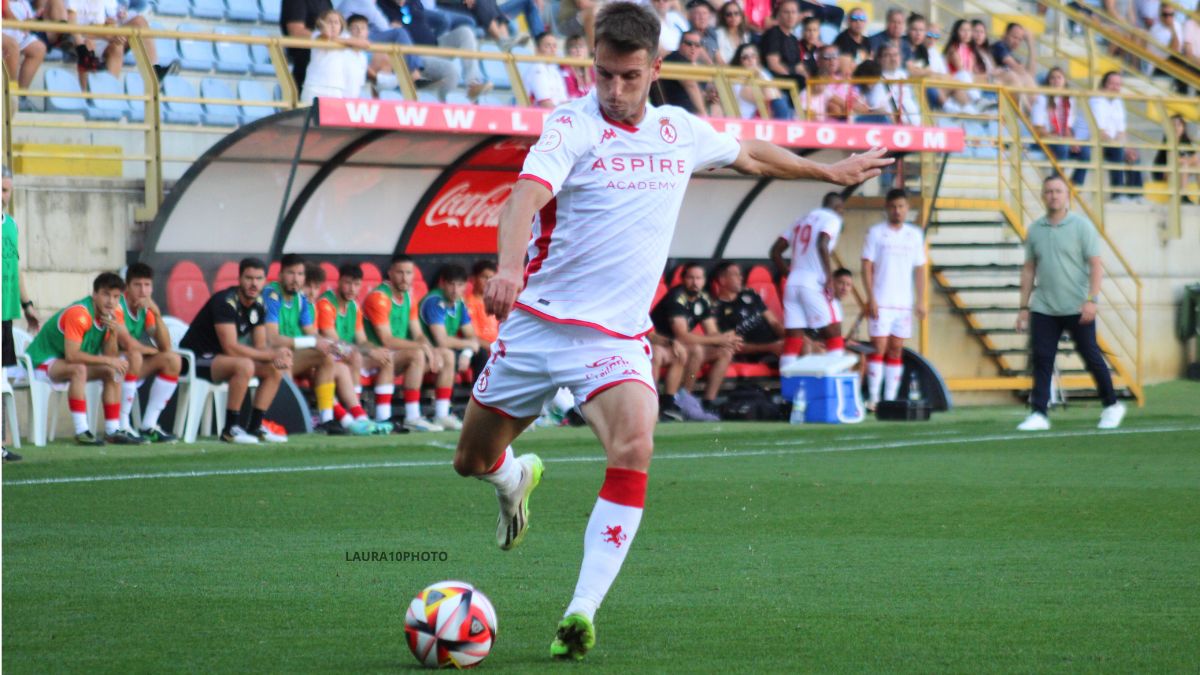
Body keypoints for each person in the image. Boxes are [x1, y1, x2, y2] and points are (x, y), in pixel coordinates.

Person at [452, 2, 888, 660]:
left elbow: (747, 153)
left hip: (615, 340)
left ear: (655, 69)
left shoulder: (677, 130)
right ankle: (514, 478)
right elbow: (522, 199)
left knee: (634, 445)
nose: (615, 89)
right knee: (471, 461)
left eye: (629, 77)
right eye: (603, 75)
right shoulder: (570, 125)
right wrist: (509, 268)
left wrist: (826, 171)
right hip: (537, 325)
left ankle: (580, 611)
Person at [1015, 175, 1126, 431]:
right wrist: (1023, 307)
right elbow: (1029, 269)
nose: (1053, 195)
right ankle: (1039, 413)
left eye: (1058, 191)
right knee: (1042, 358)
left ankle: (1112, 405)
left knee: (1091, 356)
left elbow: (1096, 265)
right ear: (1043, 196)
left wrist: (1092, 300)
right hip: (1044, 306)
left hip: (1077, 306)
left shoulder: (1082, 227)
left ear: (1068, 196)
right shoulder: (1035, 230)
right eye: (1049, 191)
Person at [180, 258, 288, 444]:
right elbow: (230, 347)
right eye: (249, 278)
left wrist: (280, 354)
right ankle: (230, 429)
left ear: (265, 281)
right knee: (244, 365)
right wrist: (271, 355)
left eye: (259, 278)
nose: (254, 283)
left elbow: (261, 346)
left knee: (274, 368)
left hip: (222, 359)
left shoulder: (260, 304)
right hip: (196, 359)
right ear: (239, 279)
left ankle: (255, 427)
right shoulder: (225, 301)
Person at [24, 273, 136, 445]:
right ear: (95, 294)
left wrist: (113, 333)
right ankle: (81, 430)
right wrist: (109, 361)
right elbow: (73, 356)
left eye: (116, 297)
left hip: (66, 363)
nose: (111, 301)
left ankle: (112, 430)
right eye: (106, 294)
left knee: (112, 371)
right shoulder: (80, 314)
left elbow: (110, 356)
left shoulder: (115, 313)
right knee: (79, 369)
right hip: (40, 362)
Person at [264, 253, 366, 435]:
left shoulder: (301, 300)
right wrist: (313, 342)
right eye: (291, 273)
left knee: (328, 356)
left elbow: (313, 333)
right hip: (269, 355)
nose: (296, 279)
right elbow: (272, 339)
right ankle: (290, 418)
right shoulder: (271, 294)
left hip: (294, 355)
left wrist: (334, 347)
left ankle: (328, 420)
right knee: (285, 355)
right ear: (280, 274)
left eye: (300, 274)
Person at [316, 263, 410, 431]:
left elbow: (362, 340)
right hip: (329, 355)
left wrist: (374, 350)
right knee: (356, 355)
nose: (352, 289)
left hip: (349, 353)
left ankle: (383, 416)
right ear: (338, 282)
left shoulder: (353, 306)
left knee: (386, 356)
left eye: (356, 284)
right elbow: (334, 341)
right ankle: (357, 413)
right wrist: (366, 350)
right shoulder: (326, 303)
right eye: (347, 283)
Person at [861, 188, 927, 409]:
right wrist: (871, 298)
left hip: (904, 302)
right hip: (881, 299)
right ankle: (873, 398)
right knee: (878, 346)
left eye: (901, 207)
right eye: (893, 207)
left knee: (896, 348)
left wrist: (921, 299)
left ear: (907, 209)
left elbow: (920, 269)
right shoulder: (876, 233)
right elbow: (866, 265)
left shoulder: (915, 235)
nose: (897, 211)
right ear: (886, 209)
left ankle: (889, 399)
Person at [363, 255, 444, 432]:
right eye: (400, 272)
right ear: (390, 273)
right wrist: (422, 348)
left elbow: (418, 334)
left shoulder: (408, 297)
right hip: (371, 357)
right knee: (417, 354)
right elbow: (387, 340)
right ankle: (407, 416)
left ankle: (443, 414)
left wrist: (431, 349)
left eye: (408, 273)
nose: (405, 277)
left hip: (394, 356)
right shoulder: (379, 297)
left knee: (446, 355)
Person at [650, 262, 735, 420]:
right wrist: (718, 338)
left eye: (699, 278)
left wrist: (727, 340)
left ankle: (707, 402)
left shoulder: (703, 298)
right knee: (694, 349)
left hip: (679, 345)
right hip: (660, 343)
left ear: (704, 280)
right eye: (690, 278)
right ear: (683, 279)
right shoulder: (677, 297)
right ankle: (673, 401)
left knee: (725, 352)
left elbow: (712, 331)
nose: (695, 282)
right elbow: (681, 335)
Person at [772, 191, 846, 370]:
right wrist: (829, 277)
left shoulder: (801, 219)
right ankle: (833, 385)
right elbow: (822, 243)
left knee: (793, 340)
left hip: (793, 283)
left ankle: (788, 390)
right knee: (833, 332)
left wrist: (789, 276)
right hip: (814, 283)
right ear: (838, 208)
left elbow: (775, 252)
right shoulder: (833, 219)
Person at [113, 263, 181, 443]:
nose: (143, 291)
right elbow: (127, 343)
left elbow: (166, 347)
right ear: (127, 287)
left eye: (147, 285)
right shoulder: (117, 305)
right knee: (133, 355)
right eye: (137, 285)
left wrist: (157, 314)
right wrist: (150, 350)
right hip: (103, 364)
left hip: (126, 366)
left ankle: (148, 425)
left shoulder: (146, 308)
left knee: (172, 360)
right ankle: (122, 425)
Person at [376, 0, 492, 101]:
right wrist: (389, 29)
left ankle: (473, 84)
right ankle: (440, 106)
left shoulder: (414, 2)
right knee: (452, 71)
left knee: (465, 32)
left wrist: (433, 35)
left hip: (435, 46)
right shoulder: (381, 6)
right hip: (416, 57)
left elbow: (436, 21)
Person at [2, 166, 38, 459]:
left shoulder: (10, 224)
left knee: (2, 377)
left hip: (6, 312)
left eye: (6, 190)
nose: (2, 196)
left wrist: (27, 306)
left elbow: (16, 266)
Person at [418, 264, 479, 430]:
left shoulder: (460, 303)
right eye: (451, 284)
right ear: (442, 284)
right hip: (430, 351)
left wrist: (467, 352)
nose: (455, 290)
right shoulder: (434, 301)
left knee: (483, 354)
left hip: (448, 350)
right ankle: (442, 414)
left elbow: (471, 334)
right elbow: (442, 341)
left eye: (459, 285)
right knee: (449, 354)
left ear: (465, 286)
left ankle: (483, 408)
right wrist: (469, 345)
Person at [711, 261, 785, 362]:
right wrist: (771, 347)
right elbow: (734, 346)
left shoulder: (750, 294)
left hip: (779, 343)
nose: (740, 278)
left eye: (740, 274)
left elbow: (774, 322)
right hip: (759, 353)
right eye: (735, 274)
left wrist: (789, 339)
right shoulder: (718, 310)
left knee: (805, 343)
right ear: (722, 280)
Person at [1090, 71, 1143, 200]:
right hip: (1096, 143)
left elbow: (1122, 131)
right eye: (1112, 84)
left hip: (1114, 143)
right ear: (1104, 84)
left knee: (1133, 154)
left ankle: (1135, 195)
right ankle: (1117, 194)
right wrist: (1118, 145)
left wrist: (1127, 147)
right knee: (1117, 150)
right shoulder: (1096, 101)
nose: (1115, 87)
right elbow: (1099, 132)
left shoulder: (1118, 101)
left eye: (1118, 84)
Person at [299, 10, 372, 104]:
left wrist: (336, 39)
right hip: (314, 86)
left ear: (341, 25)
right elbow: (326, 36)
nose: (333, 25)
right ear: (322, 24)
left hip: (336, 88)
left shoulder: (344, 37)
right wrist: (332, 36)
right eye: (329, 22)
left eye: (336, 22)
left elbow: (365, 44)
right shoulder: (316, 35)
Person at [281, 0, 334, 91]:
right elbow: (296, 31)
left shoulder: (327, 2)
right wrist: (325, 38)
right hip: (305, 66)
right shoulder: (296, 2)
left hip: (327, 69)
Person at [651, 28, 707, 112]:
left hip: (687, 113)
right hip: (674, 114)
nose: (693, 48)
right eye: (689, 44)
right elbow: (690, 85)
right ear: (680, 45)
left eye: (697, 45)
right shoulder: (676, 58)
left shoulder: (697, 67)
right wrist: (704, 114)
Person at [1030, 66, 1077, 162]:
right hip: (1043, 139)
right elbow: (1039, 129)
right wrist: (1057, 138)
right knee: (1062, 147)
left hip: (1060, 138)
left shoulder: (1069, 100)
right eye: (1053, 78)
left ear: (1064, 81)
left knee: (1085, 152)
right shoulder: (1042, 99)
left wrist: (1072, 141)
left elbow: (1067, 128)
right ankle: (1058, 177)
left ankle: (1074, 178)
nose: (1056, 80)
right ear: (1048, 82)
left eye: (1059, 77)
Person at [2, 0, 47, 100]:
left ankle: (21, 96)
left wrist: (33, 20)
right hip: (5, 35)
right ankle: (11, 94)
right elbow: (6, 12)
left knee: (39, 48)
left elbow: (28, 23)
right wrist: (21, 26)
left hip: (15, 35)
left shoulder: (23, 2)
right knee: (12, 47)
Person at [731, 43, 790, 120]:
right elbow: (764, 98)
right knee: (779, 102)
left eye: (753, 56)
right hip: (747, 120)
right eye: (745, 57)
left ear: (758, 58)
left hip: (762, 117)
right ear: (739, 61)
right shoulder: (738, 78)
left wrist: (759, 74)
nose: (750, 59)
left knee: (781, 100)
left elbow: (777, 94)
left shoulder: (763, 72)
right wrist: (759, 75)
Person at [760, 0, 805, 93]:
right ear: (779, 15)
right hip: (777, 82)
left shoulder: (793, 39)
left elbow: (799, 65)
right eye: (786, 12)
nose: (790, 16)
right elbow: (774, 65)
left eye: (793, 12)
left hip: (793, 81)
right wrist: (793, 80)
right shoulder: (773, 34)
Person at [463, 259, 499, 375]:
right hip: (478, 348)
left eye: (491, 278)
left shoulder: (497, 303)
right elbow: (471, 336)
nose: (488, 282)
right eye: (484, 277)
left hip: (496, 348)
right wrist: (496, 348)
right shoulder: (466, 302)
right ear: (473, 279)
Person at [1153, 114, 1198, 201]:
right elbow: (1172, 160)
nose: (1177, 128)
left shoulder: (1185, 140)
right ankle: (1184, 195)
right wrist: (1187, 160)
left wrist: (1189, 160)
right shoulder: (1168, 139)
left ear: (1183, 127)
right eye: (1174, 125)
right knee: (1184, 163)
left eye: (1179, 125)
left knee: (1197, 161)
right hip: (1163, 171)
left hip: (1178, 169)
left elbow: (1194, 157)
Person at [524, 32, 570, 107]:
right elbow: (545, 104)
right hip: (538, 115)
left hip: (556, 114)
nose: (552, 49)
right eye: (547, 46)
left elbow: (564, 101)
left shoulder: (555, 69)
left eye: (554, 46)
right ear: (537, 50)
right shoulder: (537, 68)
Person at [714, 0, 754, 64]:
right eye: (728, 14)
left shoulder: (745, 36)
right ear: (723, 17)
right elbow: (719, 61)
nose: (733, 17)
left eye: (736, 13)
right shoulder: (717, 34)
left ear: (741, 16)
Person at [561, 33, 596, 99]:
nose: (578, 50)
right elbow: (572, 95)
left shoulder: (592, 68)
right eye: (574, 47)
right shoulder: (565, 70)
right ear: (568, 51)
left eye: (581, 46)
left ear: (586, 50)